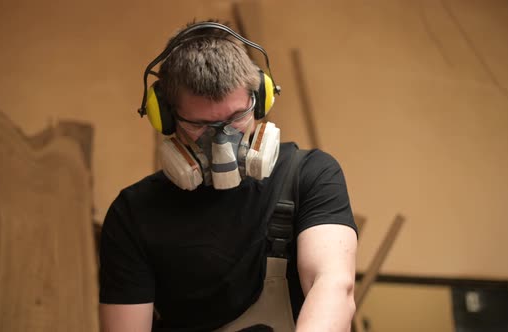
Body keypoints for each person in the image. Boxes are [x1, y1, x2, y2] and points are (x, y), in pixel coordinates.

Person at [98, 20, 358, 332]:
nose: (222, 140)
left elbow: (333, 285)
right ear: (165, 116)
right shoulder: (134, 213)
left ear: (259, 97)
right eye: (200, 125)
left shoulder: (310, 176)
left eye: (236, 117)